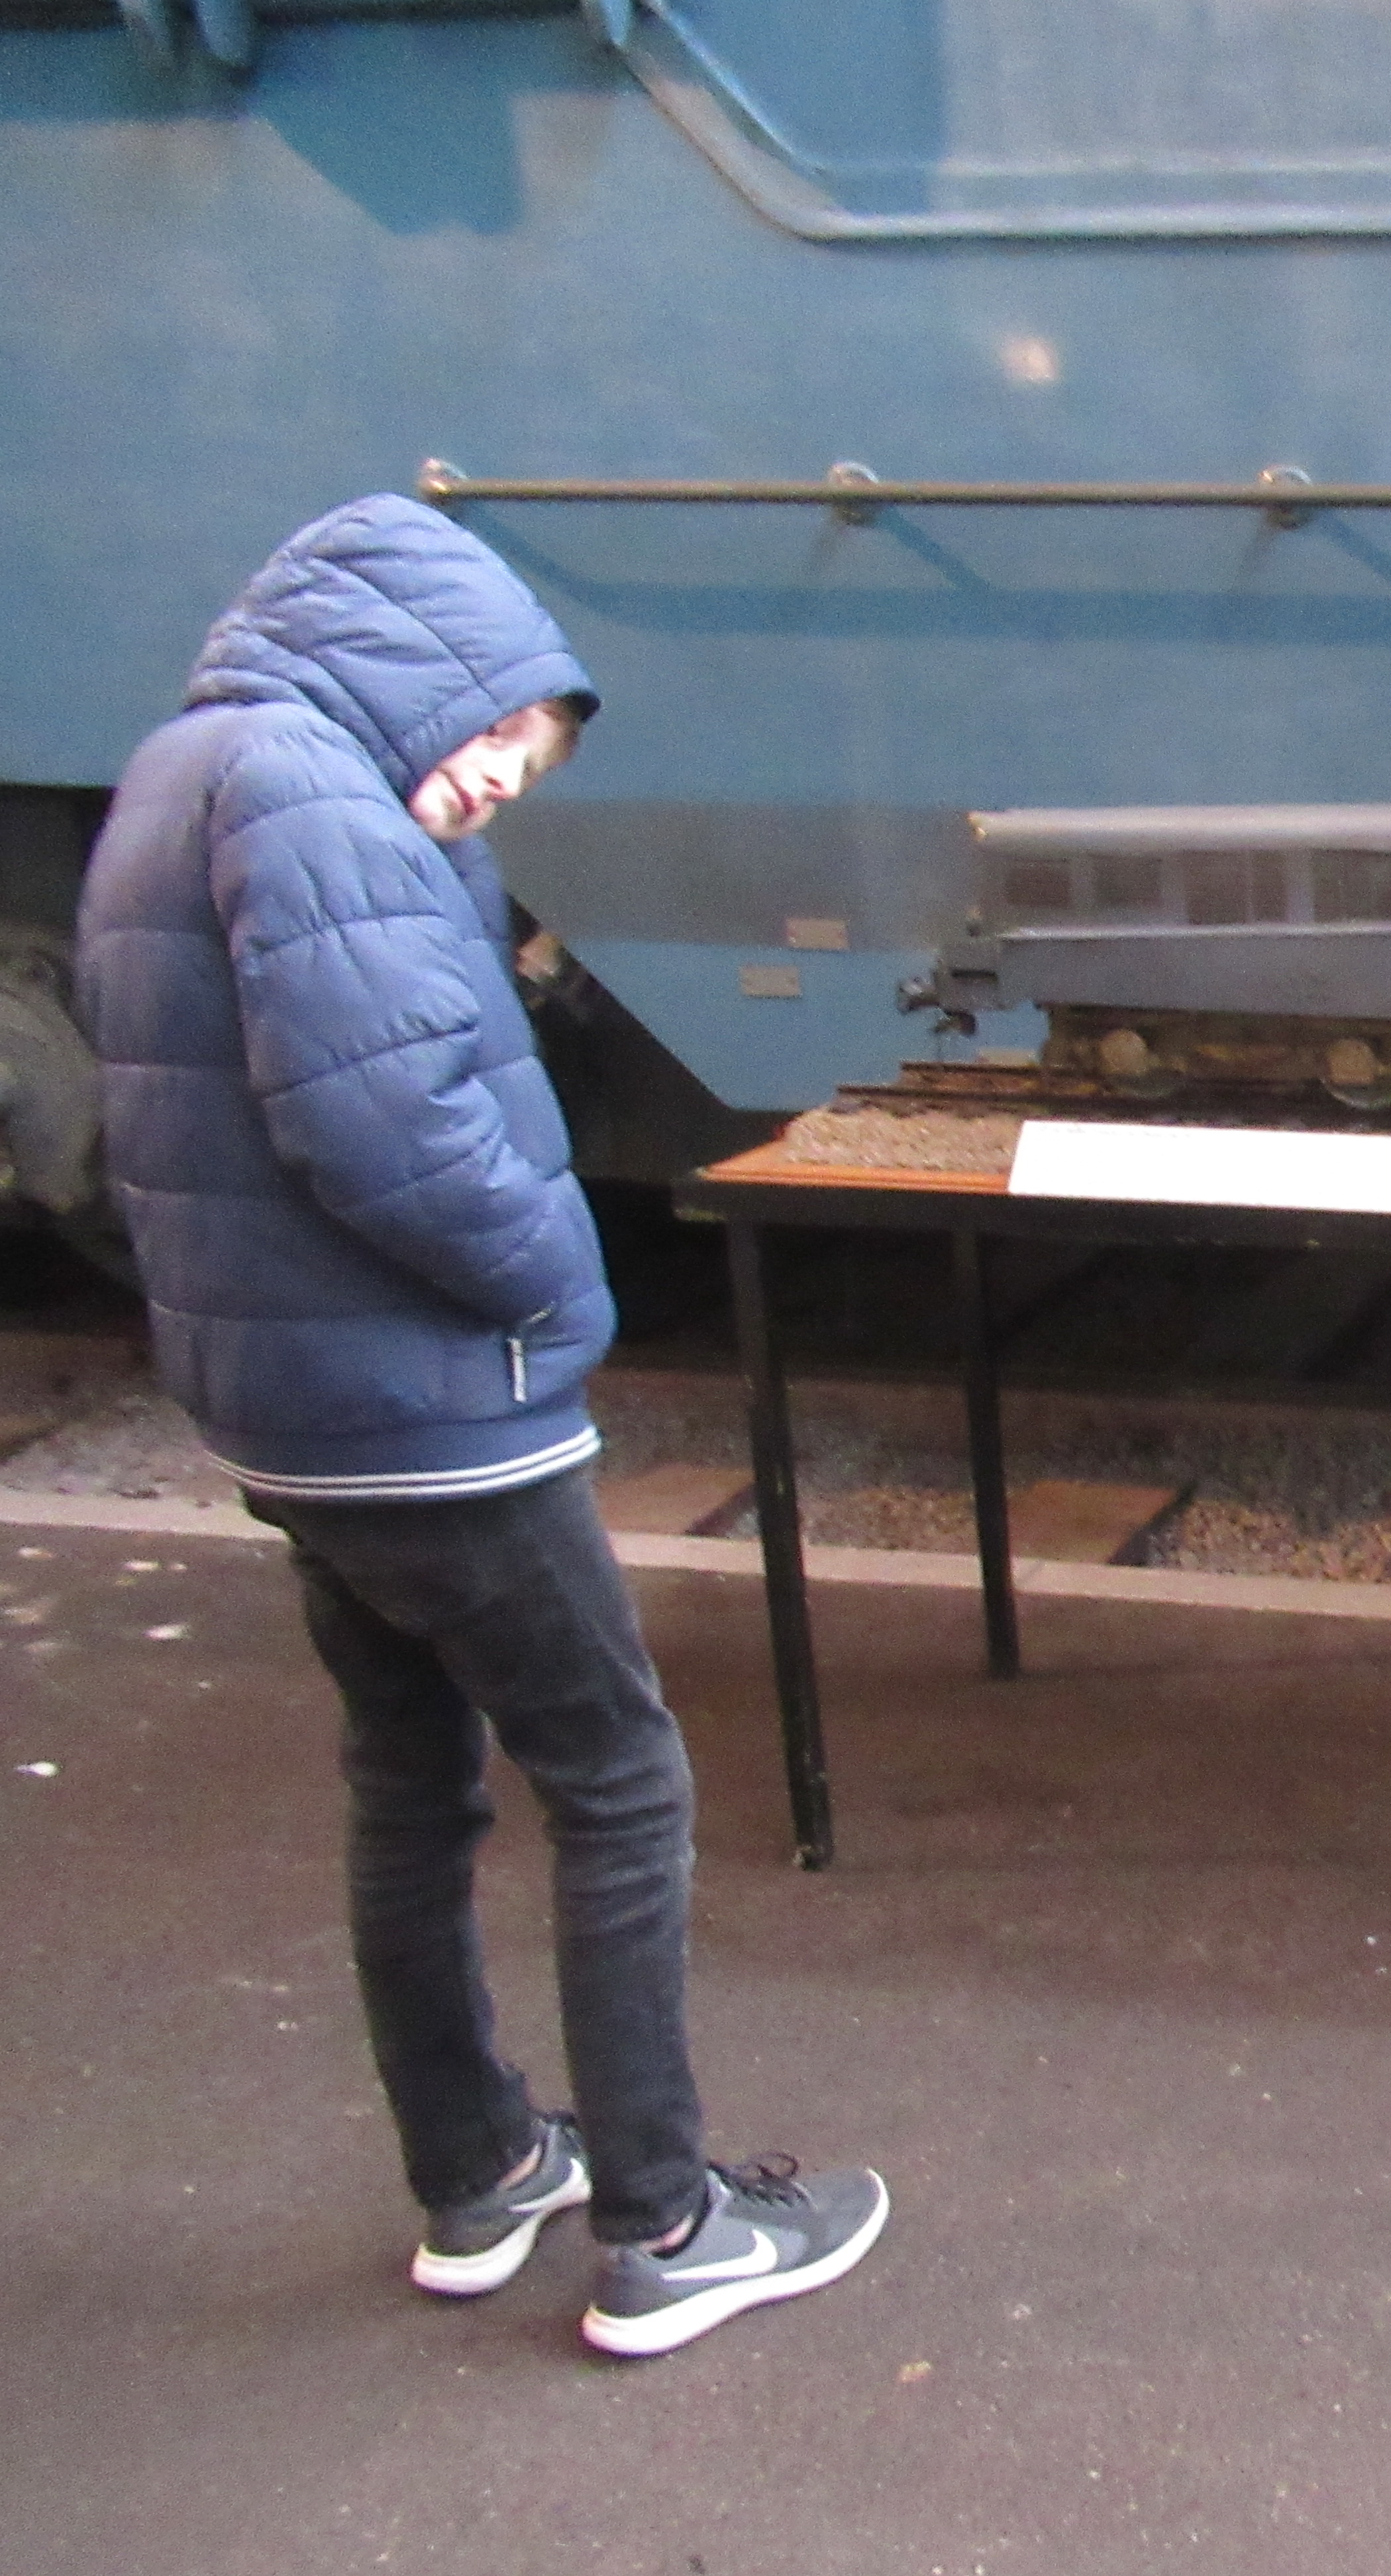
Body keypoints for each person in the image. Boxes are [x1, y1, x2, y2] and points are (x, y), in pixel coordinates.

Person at [73, 494, 886, 2358]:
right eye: (505, 733)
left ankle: (480, 2172)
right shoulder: (314, 795)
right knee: (621, 1781)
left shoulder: (189, 766)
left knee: (412, 1776)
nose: (507, 779)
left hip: (291, 1408)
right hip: (428, 1407)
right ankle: (665, 2229)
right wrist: (564, 1293)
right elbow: (391, 1127)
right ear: (422, 669)